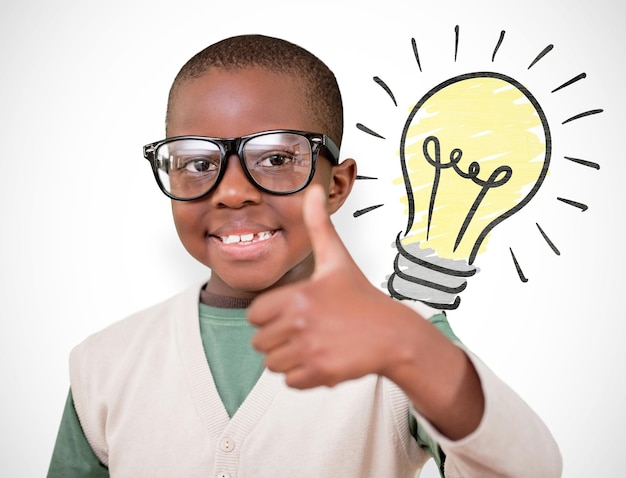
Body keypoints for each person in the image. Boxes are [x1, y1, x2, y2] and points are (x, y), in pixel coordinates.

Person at [48, 34, 562, 477]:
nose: (231, 193)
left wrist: (414, 344)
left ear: (336, 185)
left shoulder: (400, 345)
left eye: (275, 158)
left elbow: (527, 468)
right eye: (197, 162)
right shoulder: (103, 362)